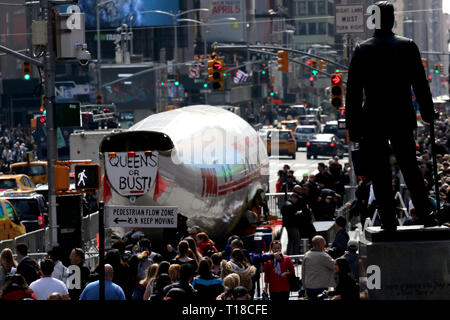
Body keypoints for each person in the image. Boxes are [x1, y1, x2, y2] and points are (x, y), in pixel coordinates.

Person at [345, 0, 437, 231]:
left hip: (373, 118)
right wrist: (427, 112)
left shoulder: (362, 50)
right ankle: (426, 214)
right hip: (401, 115)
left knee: (380, 170)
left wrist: (353, 127)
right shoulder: (408, 46)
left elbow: (353, 93)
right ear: (393, 19)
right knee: (410, 167)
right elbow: (421, 84)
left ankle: (388, 219)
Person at [301, 235, 335, 300]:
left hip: (309, 287)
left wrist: (304, 285)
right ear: (320, 244)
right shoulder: (324, 256)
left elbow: (303, 271)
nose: (325, 245)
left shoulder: (307, 255)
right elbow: (335, 265)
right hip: (321, 287)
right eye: (324, 243)